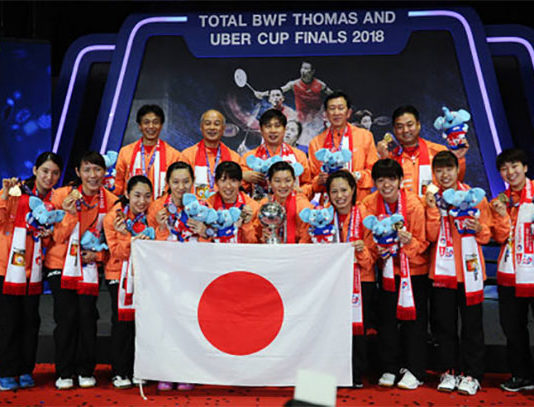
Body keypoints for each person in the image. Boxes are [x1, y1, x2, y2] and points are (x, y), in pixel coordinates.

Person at [45, 152, 117, 390]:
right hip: (60, 265)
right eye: (87, 170)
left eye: (97, 170)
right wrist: (69, 216)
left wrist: (96, 256)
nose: (93, 175)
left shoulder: (111, 201)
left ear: (104, 173)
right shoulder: (61, 196)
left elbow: (114, 243)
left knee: (87, 317)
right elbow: (53, 237)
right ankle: (65, 371)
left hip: (89, 267)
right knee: (66, 317)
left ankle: (85, 369)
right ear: (78, 172)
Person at [425, 151, 491, 395]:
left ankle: (473, 374)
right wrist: (432, 211)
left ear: (457, 170)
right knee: (444, 325)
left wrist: (479, 228)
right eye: (439, 171)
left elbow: (487, 235)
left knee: (472, 326)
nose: (444, 175)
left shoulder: (473, 197)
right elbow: (430, 236)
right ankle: (448, 370)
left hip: (470, 274)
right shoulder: (432, 199)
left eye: (449, 169)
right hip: (442, 273)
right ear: (434, 173)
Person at [360, 159, 428, 390]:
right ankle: (389, 367)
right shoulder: (369, 204)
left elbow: (423, 241)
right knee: (386, 321)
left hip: (413, 272)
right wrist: (378, 251)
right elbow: (368, 238)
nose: (386, 184)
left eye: (391, 179)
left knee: (414, 323)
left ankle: (415, 370)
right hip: (386, 272)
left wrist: (408, 243)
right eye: (380, 179)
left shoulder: (414, 205)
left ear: (400, 180)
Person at [0, 152, 63, 391]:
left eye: (55, 173)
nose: (49, 176)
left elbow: (49, 238)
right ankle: (6, 371)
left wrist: (47, 237)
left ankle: (26, 369)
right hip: (7, 268)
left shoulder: (53, 202)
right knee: (8, 322)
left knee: (31, 321)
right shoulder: (16, 191)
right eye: (45, 171)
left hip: (33, 271)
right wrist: (4, 196)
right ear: (35, 170)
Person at [148, 161, 211, 391]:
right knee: (166, 323)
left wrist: (204, 232)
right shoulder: (157, 208)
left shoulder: (203, 207)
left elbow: (212, 241)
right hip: (165, 276)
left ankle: (187, 371)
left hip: (193, 276)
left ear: (193, 183)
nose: (181, 186)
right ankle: (166, 371)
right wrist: (162, 230)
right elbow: (148, 243)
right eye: (175, 182)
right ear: (167, 184)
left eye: (186, 181)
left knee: (189, 323)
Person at [324, 170, 375, 388]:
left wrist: (362, 251)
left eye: (344, 190)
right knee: (331, 327)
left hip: (361, 279)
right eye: (334, 191)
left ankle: (356, 372)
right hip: (332, 281)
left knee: (357, 327)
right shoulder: (323, 217)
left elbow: (372, 259)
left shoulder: (365, 215)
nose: (339, 196)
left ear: (353, 190)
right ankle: (333, 371)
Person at [103, 175, 154, 389]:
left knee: (142, 324)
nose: (142, 201)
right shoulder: (113, 217)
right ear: (127, 195)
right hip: (119, 274)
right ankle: (119, 370)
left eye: (147, 196)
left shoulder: (153, 217)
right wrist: (132, 241)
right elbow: (116, 251)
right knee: (122, 323)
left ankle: (139, 369)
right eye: (137, 196)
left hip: (145, 276)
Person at [491, 148, 534, 392]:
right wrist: (500, 216)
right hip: (509, 273)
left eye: (514, 166)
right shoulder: (501, 201)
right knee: (512, 327)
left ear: (525, 167)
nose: (510, 172)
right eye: (504, 168)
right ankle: (521, 375)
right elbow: (498, 237)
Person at [376, 105, 468, 197]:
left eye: (410, 125)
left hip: (435, 208)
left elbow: (456, 183)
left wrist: (459, 158)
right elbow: (385, 190)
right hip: (405, 209)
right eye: (400, 127)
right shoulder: (391, 158)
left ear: (418, 125)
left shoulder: (438, 151)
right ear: (394, 130)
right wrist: (383, 160)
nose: (405, 130)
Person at [308, 91, 378, 200]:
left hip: (360, 203)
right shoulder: (316, 143)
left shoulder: (365, 136)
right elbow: (311, 182)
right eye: (332, 109)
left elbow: (374, 173)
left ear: (348, 112)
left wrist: (355, 176)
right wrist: (319, 181)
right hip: (329, 206)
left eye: (340, 108)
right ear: (326, 114)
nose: (336, 113)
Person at [114, 104, 181, 198]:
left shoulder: (174, 155)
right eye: (146, 122)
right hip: (131, 209)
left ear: (161, 125)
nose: (151, 126)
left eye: (155, 122)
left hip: (161, 209)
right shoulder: (125, 152)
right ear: (139, 126)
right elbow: (118, 185)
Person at [243, 109, 312, 198]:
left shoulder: (299, 156)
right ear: (261, 130)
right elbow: (240, 190)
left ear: (284, 129)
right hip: (260, 207)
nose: (273, 130)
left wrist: (301, 191)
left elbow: (308, 185)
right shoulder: (250, 157)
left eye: (277, 126)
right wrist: (244, 177)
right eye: (268, 126)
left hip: (291, 206)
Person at [181, 109, 245, 201]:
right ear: (201, 127)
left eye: (216, 124)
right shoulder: (187, 155)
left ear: (223, 129)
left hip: (225, 210)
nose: (212, 127)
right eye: (208, 123)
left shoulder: (234, 158)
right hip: (196, 209)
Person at [257, 161, 312, 244]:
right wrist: (262, 237)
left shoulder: (303, 206)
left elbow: (306, 238)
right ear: (269, 183)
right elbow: (255, 236)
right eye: (277, 181)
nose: (283, 185)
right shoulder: (264, 205)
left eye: (287, 180)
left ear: (294, 181)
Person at [206, 161, 259, 243]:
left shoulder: (253, 207)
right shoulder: (208, 206)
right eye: (223, 180)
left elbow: (255, 244)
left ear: (241, 182)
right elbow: (203, 241)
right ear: (216, 182)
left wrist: (247, 224)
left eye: (233, 181)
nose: (228, 186)